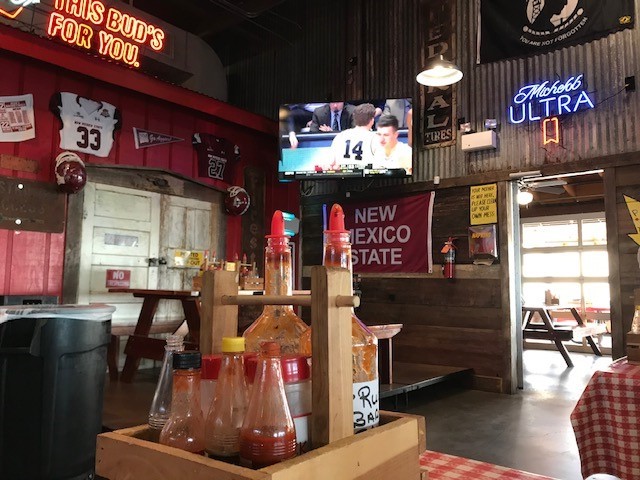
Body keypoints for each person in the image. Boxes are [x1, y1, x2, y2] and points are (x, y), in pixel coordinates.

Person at [323, 103, 378, 171]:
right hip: (365, 176)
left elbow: (330, 163)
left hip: (343, 175)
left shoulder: (341, 135)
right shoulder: (375, 138)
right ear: (372, 120)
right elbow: (380, 165)